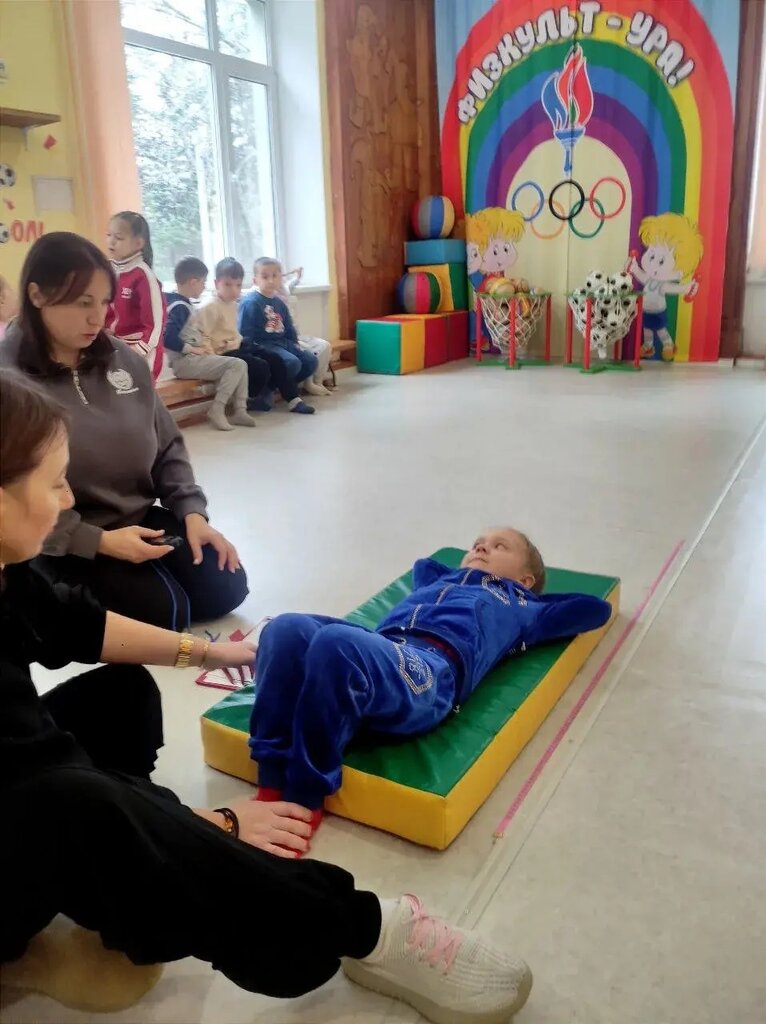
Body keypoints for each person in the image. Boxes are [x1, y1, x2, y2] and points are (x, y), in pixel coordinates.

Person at [0, 367, 534, 1024]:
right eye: (54, 481)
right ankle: (362, 928)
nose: (67, 499)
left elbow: (76, 624)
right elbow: (37, 769)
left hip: (26, 803)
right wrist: (215, 825)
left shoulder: (8, 571)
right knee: (75, 800)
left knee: (123, 694)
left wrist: (215, 651)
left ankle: (123, 873)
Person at [250, 528, 612, 843]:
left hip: (430, 671)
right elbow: (424, 565)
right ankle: (271, 779)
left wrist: (530, 597)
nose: (481, 547)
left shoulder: (525, 608)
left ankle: (302, 800)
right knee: (285, 628)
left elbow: (595, 609)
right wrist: (464, 572)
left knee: (335, 644)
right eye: (477, 543)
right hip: (383, 647)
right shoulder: (440, 581)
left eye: (500, 546)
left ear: (526, 579)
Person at [0, 231, 248, 631]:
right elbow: (11, 497)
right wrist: (96, 541)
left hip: (139, 516)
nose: (97, 318)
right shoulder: (9, 380)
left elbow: (168, 445)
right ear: (37, 295)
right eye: (83, 303)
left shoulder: (122, 360)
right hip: (60, 535)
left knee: (226, 587)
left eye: (104, 302)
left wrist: (192, 514)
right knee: (165, 613)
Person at [198, 257, 314, 416]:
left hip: (237, 345)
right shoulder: (210, 306)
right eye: (227, 285)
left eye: (238, 285)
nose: (234, 290)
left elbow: (235, 332)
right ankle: (256, 398)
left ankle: (293, 400)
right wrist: (213, 357)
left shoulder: (233, 304)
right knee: (261, 365)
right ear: (216, 283)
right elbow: (203, 336)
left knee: (275, 359)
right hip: (222, 352)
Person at [164, 256, 255, 432]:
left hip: (191, 359)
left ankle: (240, 410)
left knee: (240, 364)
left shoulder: (179, 302)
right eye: (203, 282)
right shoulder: (179, 306)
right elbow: (167, 337)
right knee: (237, 365)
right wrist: (193, 349)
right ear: (193, 282)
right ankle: (217, 410)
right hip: (185, 362)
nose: (204, 287)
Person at [239, 256, 318, 413]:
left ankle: (274, 386)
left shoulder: (279, 302)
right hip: (264, 345)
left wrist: (294, 343)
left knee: (310, 360)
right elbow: (245, 332)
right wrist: (253, 350)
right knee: (292, 362)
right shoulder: (251, 302)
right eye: (265, 277)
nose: (270, 281)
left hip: (282, 343)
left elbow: (288, 326)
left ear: (280, 278)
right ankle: (272, 391)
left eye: (275, 276)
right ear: (255, 280)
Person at [628, 212, 704, 362]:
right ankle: (648, 346)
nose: (653, 264)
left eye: (661, 261)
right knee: (647, 330)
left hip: (658, 312)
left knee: (661, 330)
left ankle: (668, 344)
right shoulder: (649, 278)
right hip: (646, 310)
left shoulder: (662, 285)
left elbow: (675, 289)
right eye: (651, 255)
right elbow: (640, 275)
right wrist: (634, 267)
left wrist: (687, 287)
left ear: (679, 270)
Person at [106, 211, 166, 382]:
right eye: (108, 235)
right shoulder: (106, 270)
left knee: (136, 395)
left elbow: (156, 325)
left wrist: (137, 351)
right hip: (116, 348)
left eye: (119, 237)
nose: (111, 241)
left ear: (138, 243)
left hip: (142, 352)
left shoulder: (143, 276)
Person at [280, 265, 333, 395]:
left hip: (296, 336)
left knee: (325, 346)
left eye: (277, 275)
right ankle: (308, 384)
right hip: (283, 340)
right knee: (306, 351)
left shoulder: (284, 289)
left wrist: (297, 276)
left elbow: (291, 283)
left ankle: (318, 381)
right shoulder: (260, 295)